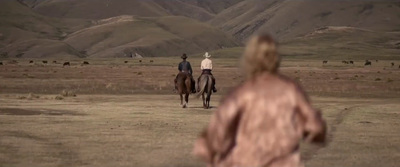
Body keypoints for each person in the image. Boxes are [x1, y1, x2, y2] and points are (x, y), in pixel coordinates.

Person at [193, 34, 326, 167]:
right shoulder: (291, 91)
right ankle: (213, 87)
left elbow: (208, 143)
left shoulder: (240, 94)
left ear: (249, 59)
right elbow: (316, 128)